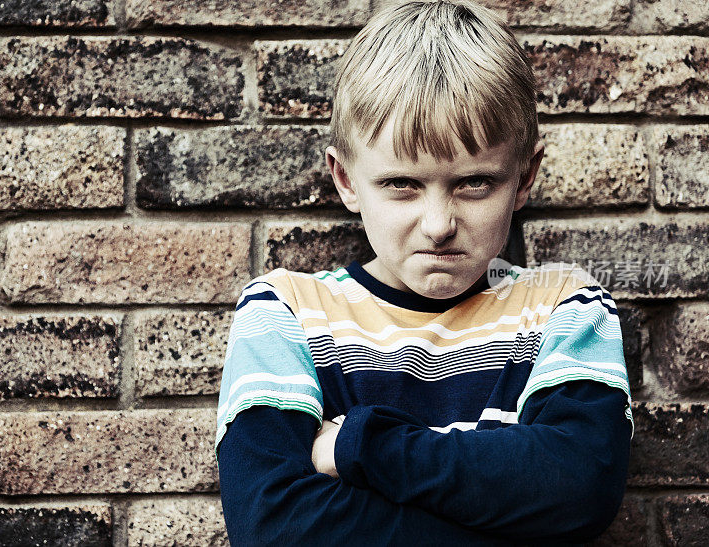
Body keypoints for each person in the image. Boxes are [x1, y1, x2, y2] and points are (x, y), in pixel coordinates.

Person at [214, 0, 633, 545]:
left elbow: (578, 488)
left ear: (524, 178)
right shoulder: (286, 311)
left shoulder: (565, 306)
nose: (438, 225)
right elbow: (273, 527)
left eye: (474, 183)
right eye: (402, 185)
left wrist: (359, 448)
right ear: (345, 180)